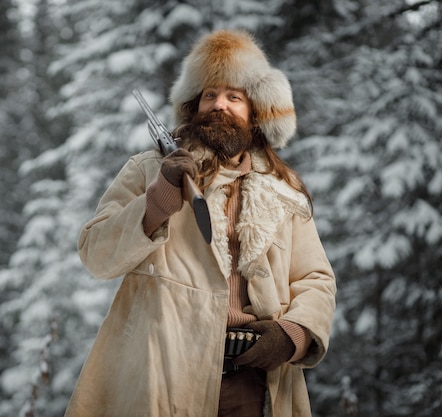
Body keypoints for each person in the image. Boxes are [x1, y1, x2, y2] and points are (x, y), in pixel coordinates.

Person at [65, 29, 337, 417]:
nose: (219, 105)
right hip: (164, 368)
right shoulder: (150, 169)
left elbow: (316, 279)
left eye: (233, 96)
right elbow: (96, 254)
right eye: (209, 94)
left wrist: (292, 334)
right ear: (193, 105)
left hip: (255, 378)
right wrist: (160, 198)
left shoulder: (283, 189)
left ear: (255, 112)